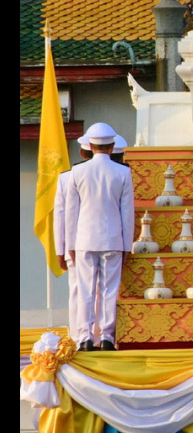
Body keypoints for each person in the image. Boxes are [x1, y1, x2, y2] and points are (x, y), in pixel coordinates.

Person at [65, 123, 134, 352]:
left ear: (90, 146)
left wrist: (70, 243)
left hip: (84, 239)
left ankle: (85, 337)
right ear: (112, 146)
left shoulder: (77, 171)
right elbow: (127, 212)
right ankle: (106, 337)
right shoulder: (123, 172)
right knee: (108, 290)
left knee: (85, 290)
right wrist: (127, 245)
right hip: (113, 238)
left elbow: (71, 212)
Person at [54, 135, 93, 338]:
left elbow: (60, 216)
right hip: (100, 242)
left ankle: (79, 336)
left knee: (78, 290)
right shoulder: (115, 173)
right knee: (100, 290)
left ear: (81, 152)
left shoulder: (67, 177)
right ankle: (96, 336)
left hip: (75, 243)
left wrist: (60, 249)